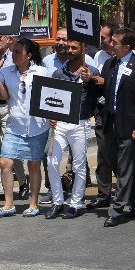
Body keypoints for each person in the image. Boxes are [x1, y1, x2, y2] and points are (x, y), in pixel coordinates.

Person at [0, 38, 51, 217]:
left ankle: (33, 203)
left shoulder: (42, 72)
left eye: (18, 52)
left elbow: (51, 97)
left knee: (34, 164)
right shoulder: (6, 72)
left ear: (29, 55)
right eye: (13, 51)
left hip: (38, 126)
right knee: (5, 162)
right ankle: (9, 204)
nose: (13, 54)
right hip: (14, 126)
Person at [100, 28, 135, 227]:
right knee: (117, 165)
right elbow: (104, 88)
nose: (111, 45)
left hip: (129, 124)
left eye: (115, 42)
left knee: (124, 168)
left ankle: (117, 208)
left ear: (127, 47)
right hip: (111, 122)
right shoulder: (110, 63)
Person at [46, 39, 101, 219]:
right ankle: (58, 201)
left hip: (81, 123)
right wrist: (51, 115)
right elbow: (51, 98)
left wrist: (90, 80)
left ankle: (76, 203)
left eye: (73, 47)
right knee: (52, 162)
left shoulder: (92, 71)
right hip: (60, 124)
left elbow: (99, 94)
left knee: (78, 165)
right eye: (68, 47)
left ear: (83, 49)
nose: (69, 50)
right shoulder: (58, 72)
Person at [0, 34, 27, 199]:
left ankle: (22, 181)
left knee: (9, 149)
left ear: (8, 40)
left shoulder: (13, 59)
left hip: (8, 107)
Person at [89, 25, 117, 209]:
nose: (102, 41)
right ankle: (103, 193)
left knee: (121, 155)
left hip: (119, 112)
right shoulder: (99, 57)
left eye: (105, 38)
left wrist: (104, 81)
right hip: (102, 110)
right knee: (103, 154)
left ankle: (126, 192)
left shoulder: (128, 61)